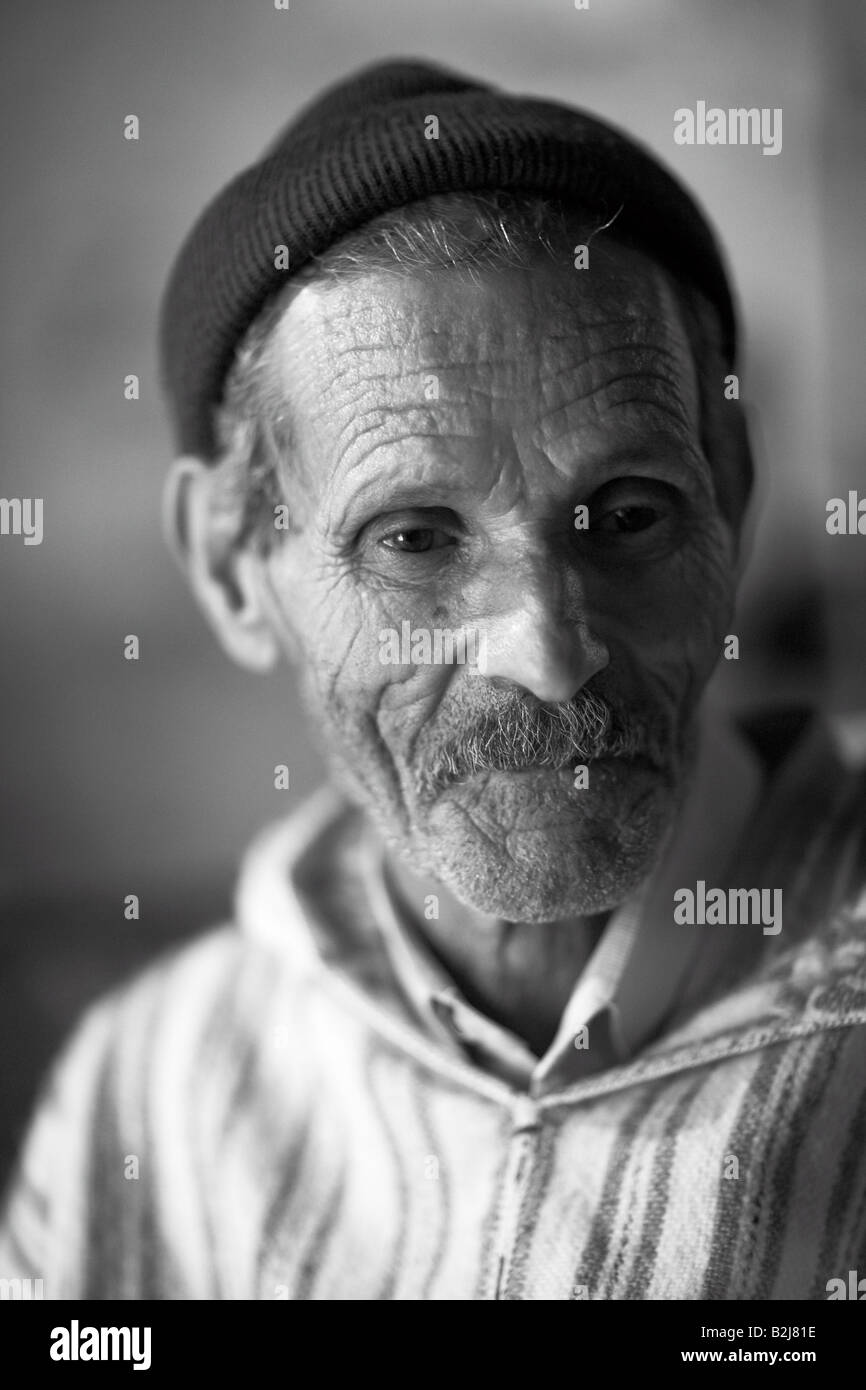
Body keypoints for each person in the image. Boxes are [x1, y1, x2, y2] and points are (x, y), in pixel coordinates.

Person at [2, 59, 864, 1301]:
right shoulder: (147, 1093)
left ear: (727, 486)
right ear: (233, 567)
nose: (551, 652)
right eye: (413, 540)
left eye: (625, 514)